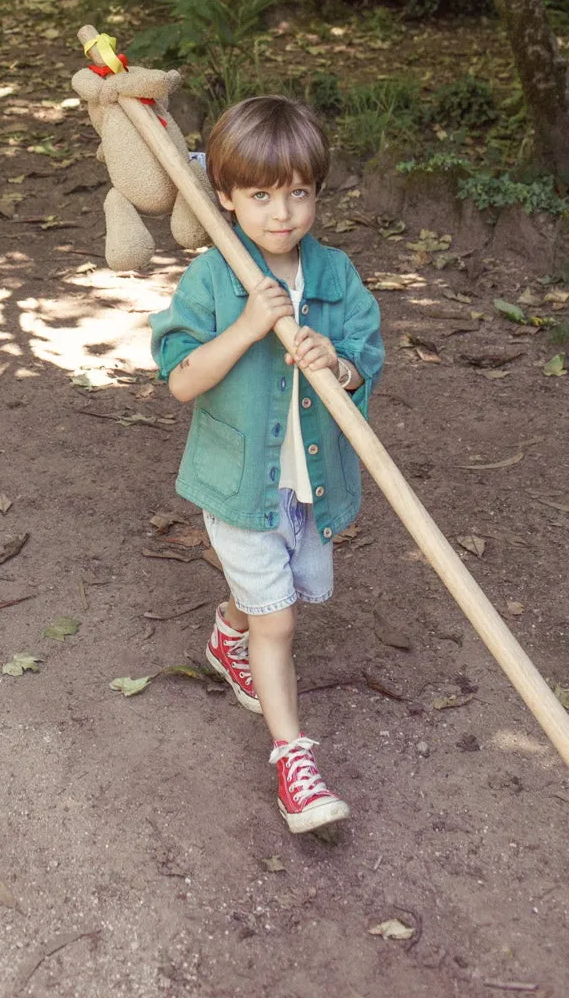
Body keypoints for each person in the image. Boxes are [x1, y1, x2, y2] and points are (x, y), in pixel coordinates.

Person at [149, 95, 384, 834]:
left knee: (287, 596)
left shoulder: (334, 274)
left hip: (312, 486)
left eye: (298, 193)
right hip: (241, 484)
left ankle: (229, 634)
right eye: (259, 195)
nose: (281, 213)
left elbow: (366, 354)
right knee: (278, 623)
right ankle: (294, 764)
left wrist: (339, 366)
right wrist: (250, 326)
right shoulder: (215, 280)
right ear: (223, 195)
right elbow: (181, 378)